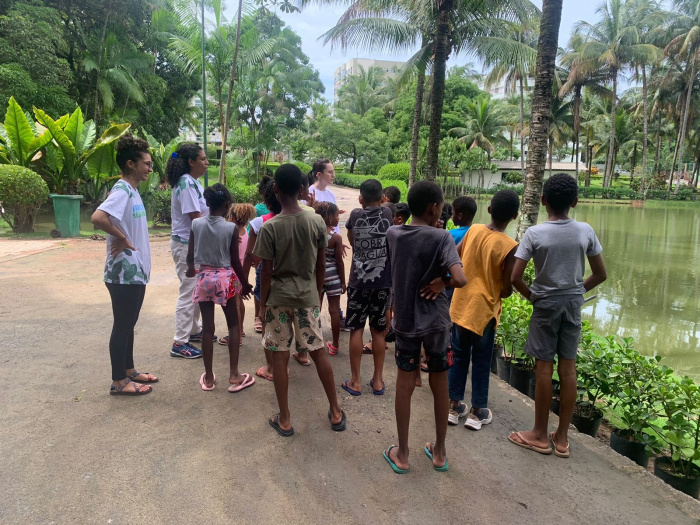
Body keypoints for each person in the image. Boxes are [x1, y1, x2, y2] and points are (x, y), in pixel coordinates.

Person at [509, 173, 607, 458]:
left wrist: (534, 297)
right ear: (574, 202)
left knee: (543, 368)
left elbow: (516, 278)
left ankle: (539, 434)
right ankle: (562, 438)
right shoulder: (585, 231)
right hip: (572, 305)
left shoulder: (534, 233)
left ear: (543, 201)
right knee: (568, 369)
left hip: (545, 306)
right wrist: (576, 291)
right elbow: (600, 274)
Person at [254, 164, 346, 437]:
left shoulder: (270, 228)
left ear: (276, 190)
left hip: (278, 299)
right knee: (318, 351)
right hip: (307, 297)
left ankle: (284, 419)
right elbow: (320, 265)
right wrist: (315, 295)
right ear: (303, 190)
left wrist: (262, 306)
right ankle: (336, 410)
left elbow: (266, 272)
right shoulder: (316, 221)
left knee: (280, 356)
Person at [383, 181, 466, 474]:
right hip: (437, 322)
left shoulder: (394, 233)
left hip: (405, 321)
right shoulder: (442, 238)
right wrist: (442, 281)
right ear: (434, 208)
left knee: (404, 383)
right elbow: (460, 278)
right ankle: (440, 451)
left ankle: (402, 454)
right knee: (440, 383)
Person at [91, 134, 157, 395]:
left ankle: (129, 371)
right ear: (131, 164)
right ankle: (119, 381)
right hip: (122, 273)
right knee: (123, 325)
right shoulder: (121, 190)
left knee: (129, 323)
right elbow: (98, 217)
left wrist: (124, 236)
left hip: (133, 271)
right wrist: (123, 238)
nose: (149, 169)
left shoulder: (131, 191)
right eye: (146, 164)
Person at [448, 190, 520, 431]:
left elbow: (455, 257)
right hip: (484, 312)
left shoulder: (474, 230)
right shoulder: (510, 246)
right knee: (480, 361)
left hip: (461, 304)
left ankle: (454, 405)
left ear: (489, 209)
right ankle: (477, 412)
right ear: (515, 216)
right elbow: (508, 288)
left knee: (458, 357)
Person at [187, 184, 254, 391]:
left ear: (207, 203)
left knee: (208, 328)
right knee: (233, 325)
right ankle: (234, 375)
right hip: (226, 279)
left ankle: (208, 378)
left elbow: (190, 256)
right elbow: (235, 260)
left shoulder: (196, 224)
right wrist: (245, 284)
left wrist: (191, 269)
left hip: (204, 278)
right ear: (227, 205)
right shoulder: (231, 228)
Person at [342, 179, 393, 397]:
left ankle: (355, 381)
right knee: (378, 331)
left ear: (360, 198)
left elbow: (352, 240)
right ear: (382, 198)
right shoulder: (389, 214)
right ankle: (378, 380)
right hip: (383, 283)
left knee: (356, 329)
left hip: (359, 282)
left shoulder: (354, 215)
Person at [168, 143, 211, 359]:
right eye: (203, 159)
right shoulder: (185, 183)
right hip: (186, 245)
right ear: (191, 162)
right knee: (188, 291)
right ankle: (180, 342)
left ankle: (194, 330)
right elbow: (195, 217)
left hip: (193, 244)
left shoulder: (193, 182)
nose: (207, 162)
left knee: (195, 289)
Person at [242, 182, 282, 381]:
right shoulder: (296, 219)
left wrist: (243, 279)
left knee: (266, 316)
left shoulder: (259, 222)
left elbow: (250, 254)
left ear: (266, 202)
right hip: (289, 275)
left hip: (265, 271)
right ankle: (287, 360)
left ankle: (271, 367)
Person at [219, 203, 256, 347]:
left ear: (232, 218)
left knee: (235, 303)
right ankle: (240, 330)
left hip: (232, 273)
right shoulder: (245, 232)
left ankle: (236, 336)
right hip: (240, 272)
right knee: (239, 301)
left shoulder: (233, 234)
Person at [313, 202, 346, 356]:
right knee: (334, 311)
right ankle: (335, 345)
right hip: (333, 276)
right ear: (330, 217)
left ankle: (314, 341)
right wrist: (343, 281)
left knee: (315, 309)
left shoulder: (313, 234)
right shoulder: (336, 238)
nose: (338, 218)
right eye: (337, 215)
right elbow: (339, 262)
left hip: (317, 275)